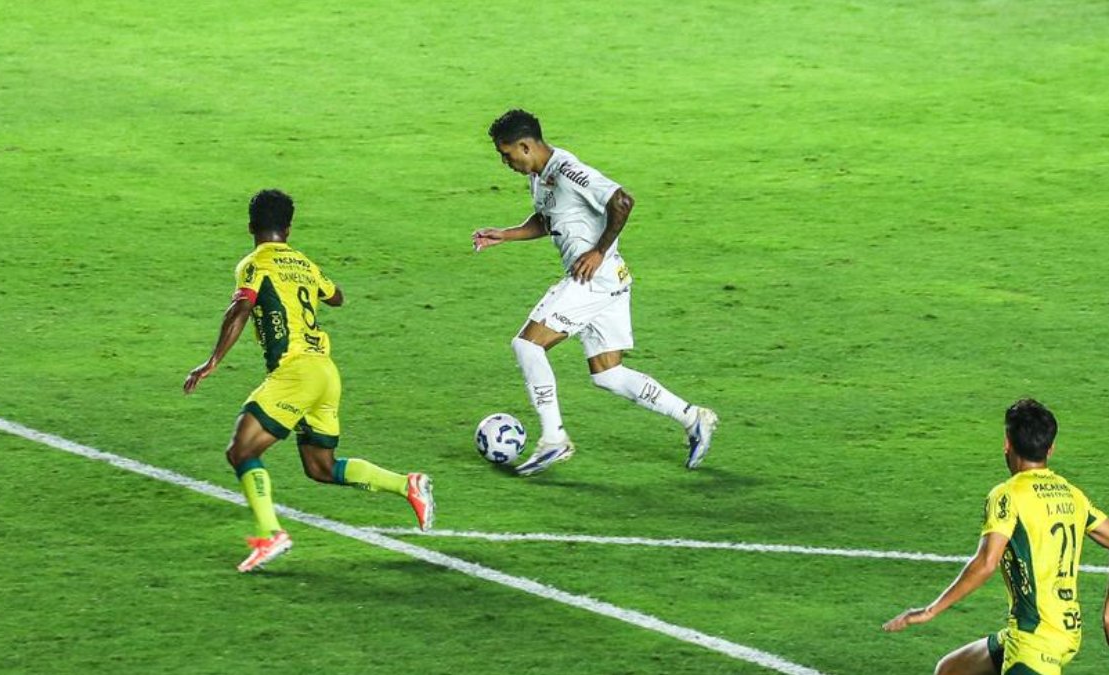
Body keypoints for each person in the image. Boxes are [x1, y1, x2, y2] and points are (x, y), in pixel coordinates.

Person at [184, 189, 435, 572]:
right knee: (320, 467)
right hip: (326, 372)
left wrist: (213, 360)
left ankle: (270, 534)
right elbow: (337, 297)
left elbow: (241, 306)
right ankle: (407, 484)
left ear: (251, 226)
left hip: (296, 371)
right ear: (288, 227)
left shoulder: (255, 263)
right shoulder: (303, 262)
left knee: (242, 451)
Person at [473, 109, 718, 477]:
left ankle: (554, 438)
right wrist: (505, 234)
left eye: (507, 154)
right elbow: (546, 220)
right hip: (611, 281)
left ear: (526, 145)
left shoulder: (570, 171)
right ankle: (692, 417)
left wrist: (598, 250)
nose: (504, 161)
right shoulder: (541, 177)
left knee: (527, 345)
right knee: (608, 374)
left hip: (594, 279)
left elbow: (622, 201)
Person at [883, 399, 1109, 674]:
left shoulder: (1008, 495)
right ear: (1050, 449)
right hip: (1061, 633)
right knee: (950, 670)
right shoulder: (1073, 495)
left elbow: (987, 562)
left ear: (1007, 443)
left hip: (1034, 643)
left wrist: (930, 611)